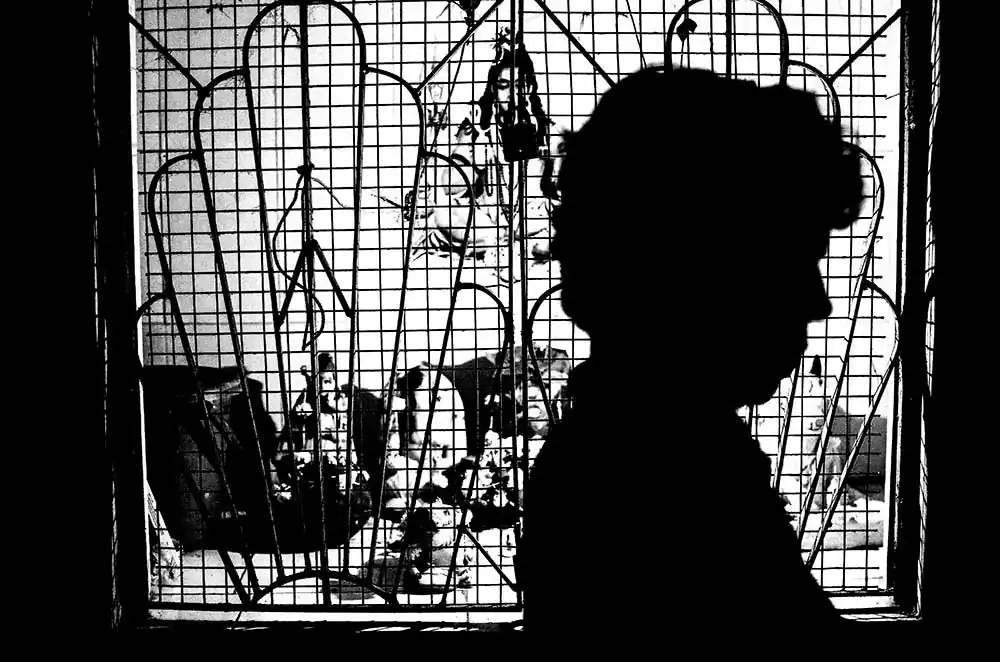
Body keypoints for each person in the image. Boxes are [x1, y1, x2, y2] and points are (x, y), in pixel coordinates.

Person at [518, 67, 863, 639]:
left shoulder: (637, 450)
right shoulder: (674, 476)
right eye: (790, 262)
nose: (818, 301)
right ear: (694, 269)